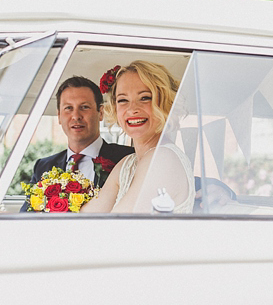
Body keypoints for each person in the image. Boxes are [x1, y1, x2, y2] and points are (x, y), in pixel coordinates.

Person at [81, 61, 195, 214]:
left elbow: (115, 227)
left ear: (165, 103)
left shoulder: (163, 159)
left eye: (145, 98)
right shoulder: (126, 164)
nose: (132, 109)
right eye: (122, 100)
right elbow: (87, 217)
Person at [20, 76, 134, 212]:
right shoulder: (43, 166)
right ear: (59, 116)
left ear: (101, 113)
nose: (76, 116)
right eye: (68, 108)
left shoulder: (128, 159)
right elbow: (27, 215)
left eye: (84, 107)